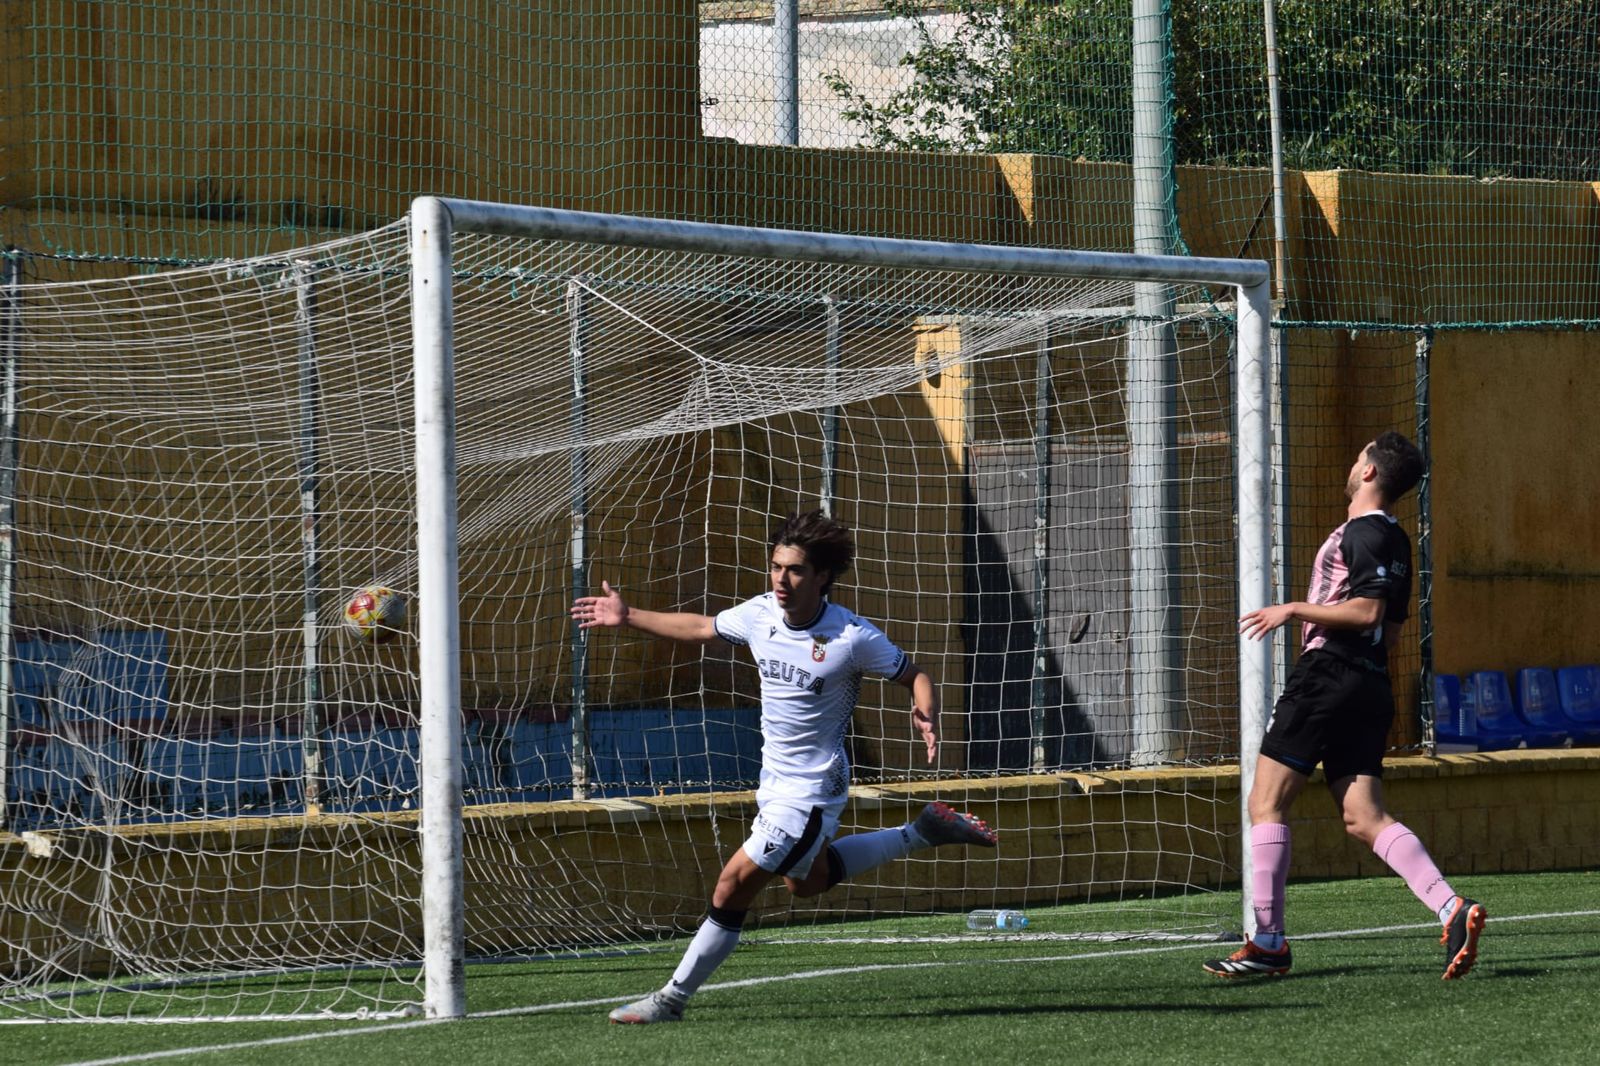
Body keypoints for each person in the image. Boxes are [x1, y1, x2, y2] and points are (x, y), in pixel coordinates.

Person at [573, 509, 998, 1024]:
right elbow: (704, 627)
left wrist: (924, 711)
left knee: (732, 886)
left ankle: (670, 999)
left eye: (794, 570)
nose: (781, 579)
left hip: (813, 789)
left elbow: (915, 674)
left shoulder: (851, 636)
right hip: (773, 781)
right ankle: (921, 831)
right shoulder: (759, 614)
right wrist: (629, 615)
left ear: (821, 577)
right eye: (776, 567)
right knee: (807, 882)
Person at [1204, 431, 1486, 980]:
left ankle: (1267, 942)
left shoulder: (1362, 532)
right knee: (1364, 817)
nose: (1352, 463)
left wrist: (1293, 610)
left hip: (1328, 675)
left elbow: (1366, 614)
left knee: (1266, 803)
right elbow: (1393, 630)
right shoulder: (1399, 541)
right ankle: (1451, 910)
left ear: (1371, 474)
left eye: (1359, 457)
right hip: (1369, 682)